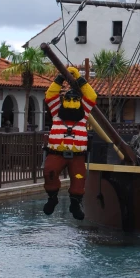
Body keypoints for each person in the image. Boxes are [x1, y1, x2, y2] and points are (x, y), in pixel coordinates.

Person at [43, 66, 97, 220]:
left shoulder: (84, 114)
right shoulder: (56, 112)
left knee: (79, 177)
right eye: (68, 99)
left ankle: (75, 203)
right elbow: (50, 95)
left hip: (77, 156)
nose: (72, 102)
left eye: (75, 100)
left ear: (79, 102)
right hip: (56, 154)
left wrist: (80, 79)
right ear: (63, 101)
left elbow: (92, 96)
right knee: (49, 173)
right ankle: (52, 198)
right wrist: (60, 78)